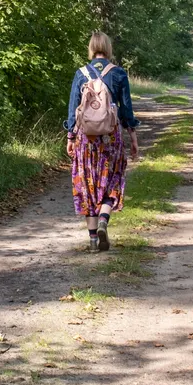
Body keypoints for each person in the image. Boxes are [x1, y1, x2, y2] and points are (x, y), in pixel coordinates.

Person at [65, 31, 139, 252]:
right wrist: (133, 136)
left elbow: (72, 109)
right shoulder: (118, 74)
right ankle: (104, 221)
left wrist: (70, 137)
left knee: (87, 185)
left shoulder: (80, 74)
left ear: (91, 48)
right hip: (110, 137)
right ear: (108, 47)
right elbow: (126, 110)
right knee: (112, 180)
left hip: (86, 139)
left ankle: (93, 241)